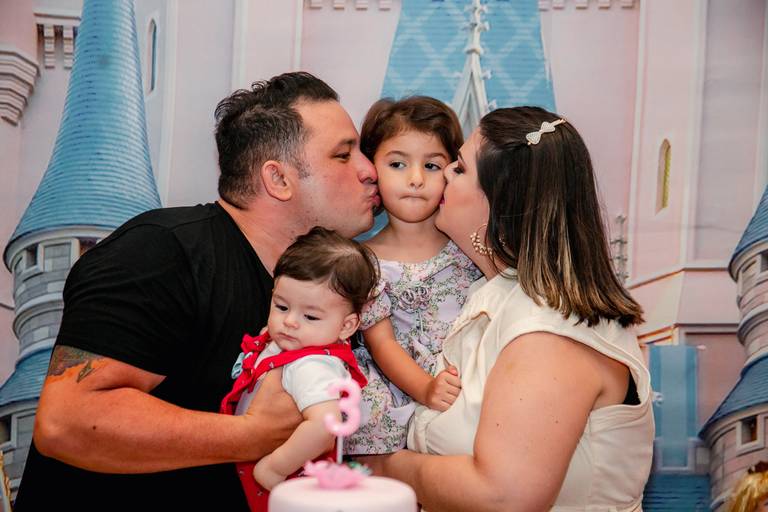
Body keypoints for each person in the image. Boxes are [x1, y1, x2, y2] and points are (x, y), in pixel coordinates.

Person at [14, 72, 379, 510]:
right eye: (343, 155)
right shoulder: (161, 251)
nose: (369, 171)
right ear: (278, 179)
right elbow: (66, 422)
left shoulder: (330, 293)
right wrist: (253, 434)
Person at [361, 106, 655, 511]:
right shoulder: (495, 297)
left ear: (496, 200)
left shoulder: (550, 331)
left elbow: (502, 496)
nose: (443, 175)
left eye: (459, 168)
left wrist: (379, 465)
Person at [343, 97, 481, 456]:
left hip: (467, 381)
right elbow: (382, 344)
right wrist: (426, 389)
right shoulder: (364, 261)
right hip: (403, 391)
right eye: (398, 164)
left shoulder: (466, 246)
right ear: (372, 168)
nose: (416, 179)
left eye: (432, 166)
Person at [220, 226, 377, 509]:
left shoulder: (312, 365)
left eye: (310, 316)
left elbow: (324, 425)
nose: (290, 321)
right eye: (281, 306)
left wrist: (276, 468)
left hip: (289, 482)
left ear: (347, 326)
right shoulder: (292, 342)